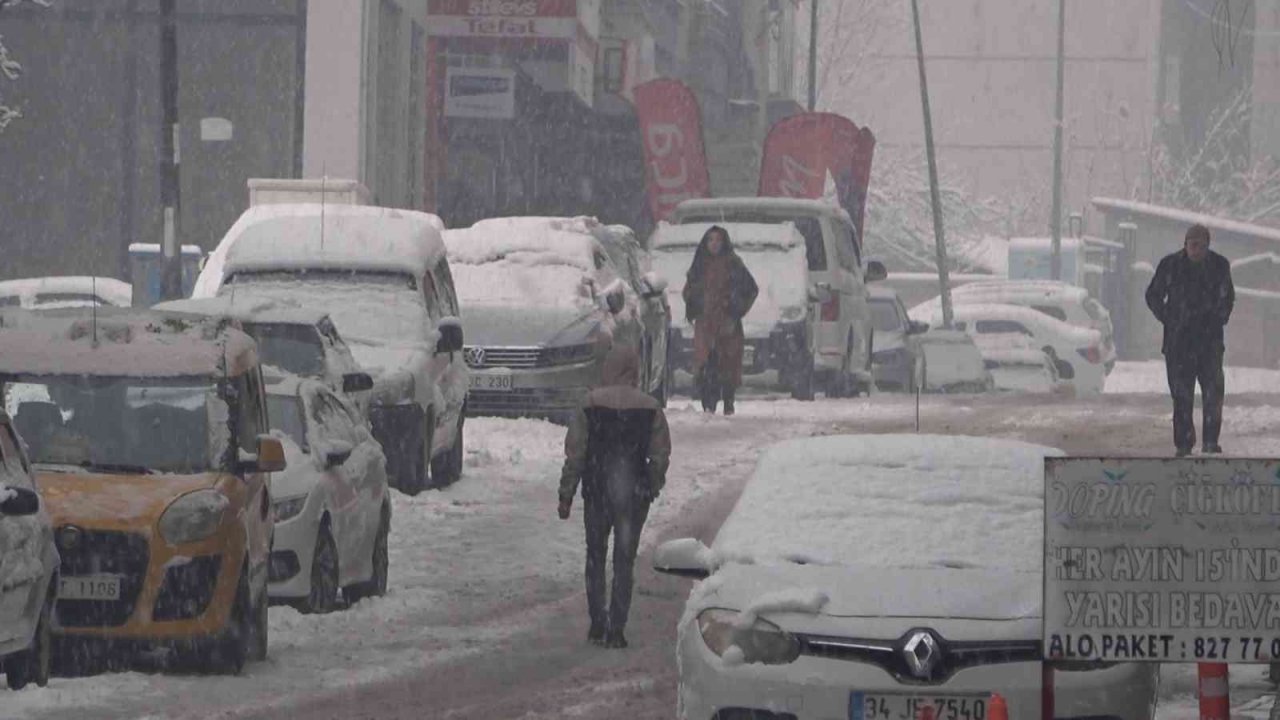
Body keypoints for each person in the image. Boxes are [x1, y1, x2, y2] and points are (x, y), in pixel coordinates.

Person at [557, 345, 671, 649]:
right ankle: (617, 628)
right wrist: (650, 484)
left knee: (595, 556)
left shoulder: (590, 404)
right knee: (624, 561)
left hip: (596, 493)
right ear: (635, 369)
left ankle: (597, 622)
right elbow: (660, 455)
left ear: (608, 368)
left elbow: (576, 454)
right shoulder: (650, 407)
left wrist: (566, 494)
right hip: (633, 498)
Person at [1144, 223, 1235, 457]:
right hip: (1178, 344)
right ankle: (1184, 445)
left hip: (1209, 344)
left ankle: (1210, 443)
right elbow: (1153, 294)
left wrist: (1217, 320)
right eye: (1193, 245)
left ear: (1208, 246)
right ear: (1185, 244)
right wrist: (1168, 318)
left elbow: (1227, 299)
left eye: (1202, 246)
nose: (1197, 250)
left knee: (1213, 396)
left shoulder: (1219, 266)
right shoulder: (1170, 266)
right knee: (1181, 397)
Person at [682, 225, 759, 415]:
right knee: (705, 364)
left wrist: (735, 311)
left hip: (727, 323)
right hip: (705, 324)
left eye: (718, 240)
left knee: (727, 364)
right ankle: (708, 403)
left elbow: (750, 289)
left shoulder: (733, 263)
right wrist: (694, 305)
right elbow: (689, 289)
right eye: (710, 240)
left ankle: (728, 402)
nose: (714, 244)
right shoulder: (699, 264)